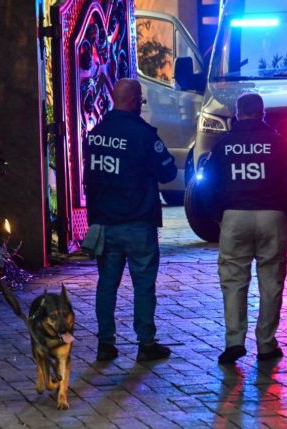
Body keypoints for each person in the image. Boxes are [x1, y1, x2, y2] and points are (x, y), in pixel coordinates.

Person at [81, 78, 177, 362]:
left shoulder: (96, 133)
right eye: (141, 100)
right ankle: (146, 343)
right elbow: (168, 173)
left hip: (105, 224)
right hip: (138, 222)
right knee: (143, 285)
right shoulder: (144, 134)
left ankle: (105, 344)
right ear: (134, 100)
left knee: (106, 285)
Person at [201, 93, 287, 364]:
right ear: (262, 113)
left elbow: (207, 183)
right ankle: (266, 344)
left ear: (237, 113)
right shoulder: (278, 143)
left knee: (233, 281)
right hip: (272, 215)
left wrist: (218, 216)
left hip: (234, 216)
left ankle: (234, 342)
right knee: (271, 282)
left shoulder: (224, 144)